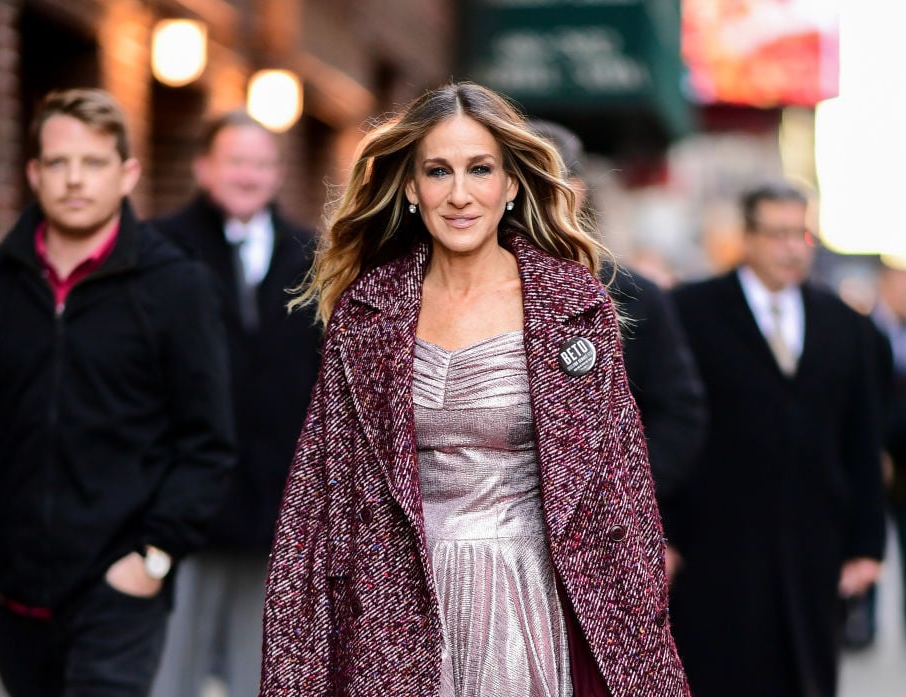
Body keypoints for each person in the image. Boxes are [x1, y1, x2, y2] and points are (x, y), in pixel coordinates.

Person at [259, 82, 690, 696]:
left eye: (479, 169)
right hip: (394, 607)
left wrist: (641, 642)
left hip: (534, 605)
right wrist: (295, 669)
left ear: (510, 184)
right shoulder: (368, 312)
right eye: (439, 171)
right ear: (411, 187)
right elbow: (318, 503)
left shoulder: (573, 305)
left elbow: (619, 493)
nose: (459, 194)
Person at [0, 88, 235, 696]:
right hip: (9, 589)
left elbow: (208, 443)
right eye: (59, 163)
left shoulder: (177, 287)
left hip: (120, 587)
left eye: (93, 163)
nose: (75, 180)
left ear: (127, 174)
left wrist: (153, 557)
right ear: (34, 173)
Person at [667, 181, 886, 697]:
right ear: (747, 237)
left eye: (800, 234)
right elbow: (674, 428)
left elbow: (861, 436)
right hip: (717, 546)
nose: (791, 247)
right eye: (778, 233)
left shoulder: (842, 323)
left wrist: (867, 544)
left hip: (814, 545)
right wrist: (666, 532)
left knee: (806, 676)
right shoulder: (691, 311)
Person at [149, 111, 321, 697]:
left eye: (260, 163)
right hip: (179, 501)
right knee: (171, 670)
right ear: (203, 168)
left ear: (277, 175)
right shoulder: (159, 249)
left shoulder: (317, 256)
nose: (247, 175)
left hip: (279, 500)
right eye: (235, 161)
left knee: (264, 669)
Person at [527, 118, 707, 507]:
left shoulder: (636, 294)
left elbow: (678, 413)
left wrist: (626, 500)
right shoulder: (465, 287)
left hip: (606, 525)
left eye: (538, 186)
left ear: (575, 193)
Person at [843, 261, 906, 647]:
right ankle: (867, 622)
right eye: (901, 287)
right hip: (877, 455)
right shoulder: (865, 330)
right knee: (872, 538)